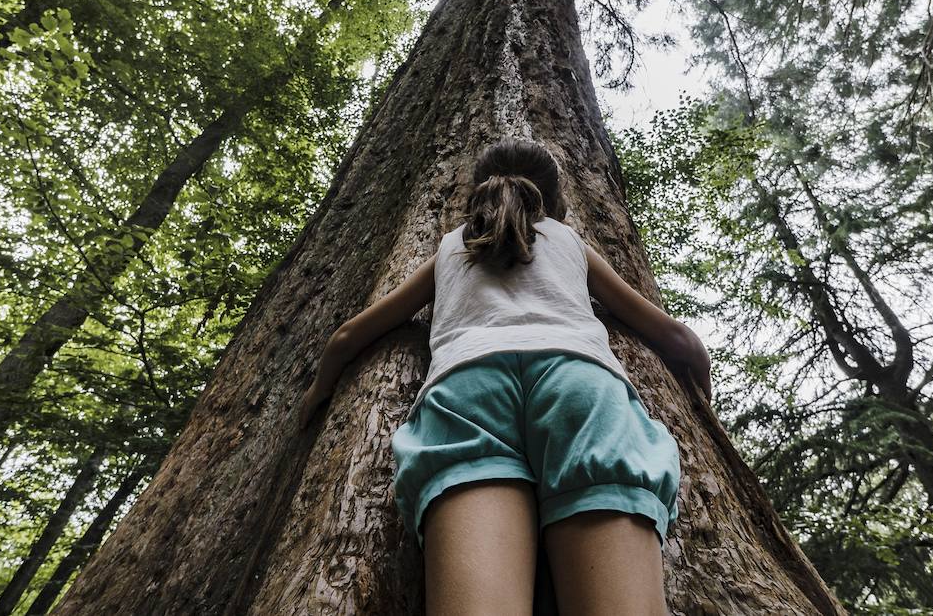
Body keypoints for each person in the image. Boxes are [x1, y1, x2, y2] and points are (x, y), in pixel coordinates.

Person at [298, 138, 712, 616]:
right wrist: (705, 396)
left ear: (480, 195)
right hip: (580, 385)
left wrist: (318, 390)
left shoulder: (451, 249)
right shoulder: (568, 240)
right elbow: (679, 339)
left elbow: (348, 337)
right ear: (554, 203)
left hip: (467, 391)